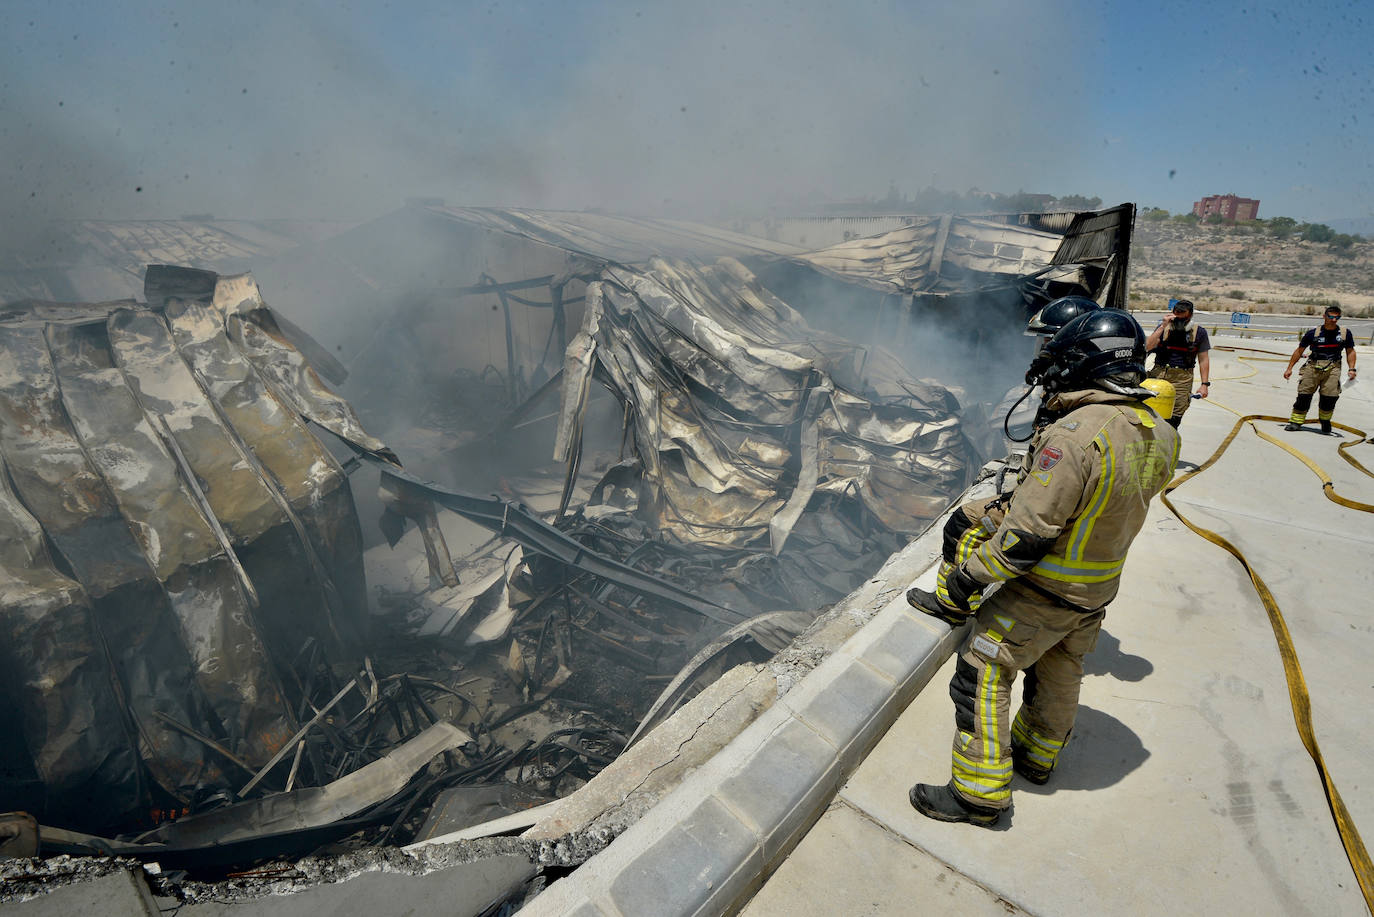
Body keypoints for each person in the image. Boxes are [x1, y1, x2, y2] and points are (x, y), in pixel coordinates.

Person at [905, 309, 1180, 827]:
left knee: (981, 672)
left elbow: (1026, 538)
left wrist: (969, 579)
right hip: (1096, 591)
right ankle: (1037, 758)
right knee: (1060, 670)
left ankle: (978, 796)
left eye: (1062, 361)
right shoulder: (1160, 432)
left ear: (1086, 363)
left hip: (1045, 590)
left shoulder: (1075, 435)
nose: (1051, 372)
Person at [1283, 305, 1357, 435]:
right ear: (1324, 316)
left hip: (1333, 368)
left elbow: (1350, 351)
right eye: (1331, 316)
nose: (1334, 320)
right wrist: (1289, 368)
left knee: (1329, 398)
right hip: (1313, 367)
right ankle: (1295, 422)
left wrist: (1352, 368)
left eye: (1337, 317)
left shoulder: (1345, 333)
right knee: (1304, 395)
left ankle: (1325, 421)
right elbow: (1299, 351)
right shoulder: (1313, 333)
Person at [1144, 299, 1211, 428]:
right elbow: (1147, 347)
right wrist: (1163, 326)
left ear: (1190, 316)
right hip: (1159, 374)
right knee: (1150, 412)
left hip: (1182, 379)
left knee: (1174, 418)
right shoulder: (1163, 328)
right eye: (1176, 319)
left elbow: (1204, 359)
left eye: (1183, 319)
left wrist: (1204, 385)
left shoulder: (1199, 333)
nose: (1179, 323)